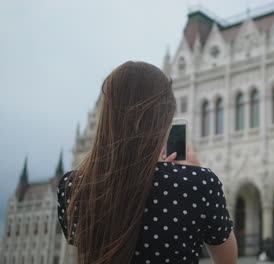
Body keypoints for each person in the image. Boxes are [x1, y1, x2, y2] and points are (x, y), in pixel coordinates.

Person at [56, 61, 238, 264]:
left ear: (106, 115)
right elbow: (228, 261)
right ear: (166, 118)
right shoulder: (200, 184)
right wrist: (194, 174)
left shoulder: (72, 187)